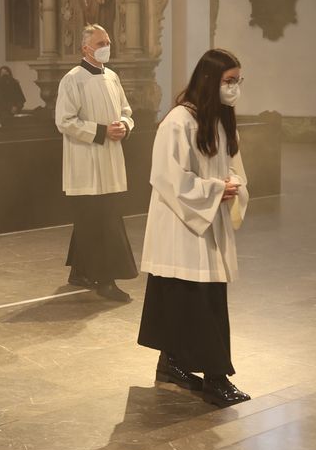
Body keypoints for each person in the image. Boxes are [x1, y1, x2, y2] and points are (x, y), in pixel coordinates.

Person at [137, 48, 250, 408]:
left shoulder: (219, 119)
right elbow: (166, 176)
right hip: (182, 225)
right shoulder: (179, 121)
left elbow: (232, 166)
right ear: (209, 80)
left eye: (238, 81)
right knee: (196, 303)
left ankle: (171, 364)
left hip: (205, 218)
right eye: (228, 80)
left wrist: (231, 185)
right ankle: (216, 378)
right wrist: (215, 190)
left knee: (195, 300)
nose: (234, 88)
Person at [55, 24, 138, 302]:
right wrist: (101, 131)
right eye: (101, 43)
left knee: (94, 218)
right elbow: (64, 121)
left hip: (110, 158)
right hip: (86, 161)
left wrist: (124, 125)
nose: (106, 47)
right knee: (100, 221)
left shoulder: (112, 77)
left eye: (108, 42)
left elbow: (126, 111)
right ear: (85, 48)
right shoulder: (72, 79)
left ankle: (79, 271)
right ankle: (106, 280)